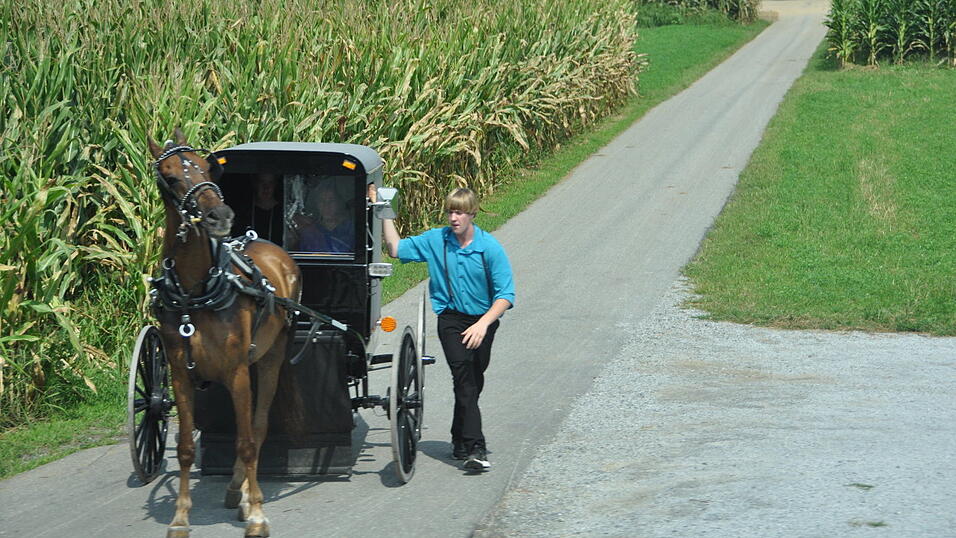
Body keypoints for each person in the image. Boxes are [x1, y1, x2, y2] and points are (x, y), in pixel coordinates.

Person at [371, 185, 515, 472]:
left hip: (483, 320)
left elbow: (505, 295)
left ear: (472, 214)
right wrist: (384, 211)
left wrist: (483, 325)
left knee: (474, 379)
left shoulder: (490, 248)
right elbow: (396, 249)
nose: (454, 218)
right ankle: (476, 448)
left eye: (460, 212)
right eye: (450, 211)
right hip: (450, 319)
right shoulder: (437, 240)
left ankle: (459, 439)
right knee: (464, 377)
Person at [294, 180, 354, 253]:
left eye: (331, 200)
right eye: (321, 201)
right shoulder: (309, 232)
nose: (326, 205)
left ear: (339, 202)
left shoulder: (352, 229)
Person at [244, 173, 284, 244]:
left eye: (270, 183)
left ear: (275, 184)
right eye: (262, 182)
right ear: (255, 184)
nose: (266, 187)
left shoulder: (284, 213)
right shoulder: (245, 212)